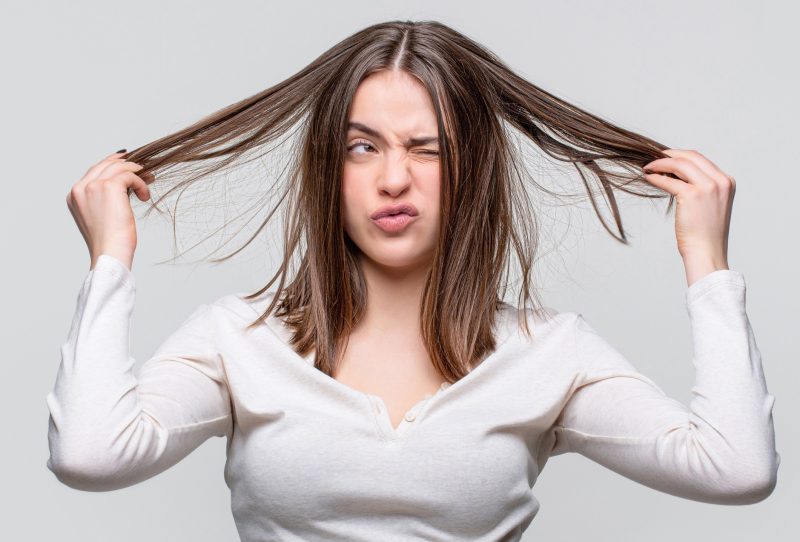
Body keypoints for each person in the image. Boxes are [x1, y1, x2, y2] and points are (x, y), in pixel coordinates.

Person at [46, 19, 779, 542]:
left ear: (473, 171)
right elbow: (88, 455)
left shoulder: (553, 353)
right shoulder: (238, 340)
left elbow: (737, 469)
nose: (392, 179)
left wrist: (706, 261)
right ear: (327, 171)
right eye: (361, 147)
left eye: (426, 149)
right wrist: (110, 258)